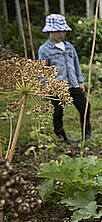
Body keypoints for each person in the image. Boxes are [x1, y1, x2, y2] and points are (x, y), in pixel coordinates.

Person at [38, 13, 92, 144]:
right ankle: (61, 136)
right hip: (56, 86)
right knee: (57, 112)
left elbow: (76, 64)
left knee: (85, 107)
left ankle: (87, 134)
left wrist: (79, 81)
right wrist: (44, 88)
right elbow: (42, 70)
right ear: (50, 31)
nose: (61, 34)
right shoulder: (45, 49)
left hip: (72, 84)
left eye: (63, 31)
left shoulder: (69, 46)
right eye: (57, 31)